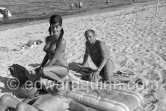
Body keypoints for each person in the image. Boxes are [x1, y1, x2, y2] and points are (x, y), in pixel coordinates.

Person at [28, 14, 69, 83]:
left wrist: (43, 69)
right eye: (52, 27)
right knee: (33, 72)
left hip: (62, 68)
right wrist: (41, 66)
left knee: (43, 71)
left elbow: (54, 58)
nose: (54, 29)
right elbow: (47, 55)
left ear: (61, 27)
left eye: (57, 27)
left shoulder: (61, 41)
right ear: (50, 26)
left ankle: (61, 81)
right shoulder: (48, 39)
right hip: (52, 68)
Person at [0, 90, 99, 111]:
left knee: (21, 106)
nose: (58, 85)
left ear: (68, 89)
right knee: (5, 98)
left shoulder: (67, 100)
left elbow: (85, 109)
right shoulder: (46, 94)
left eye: (61, 84)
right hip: (31, 108)